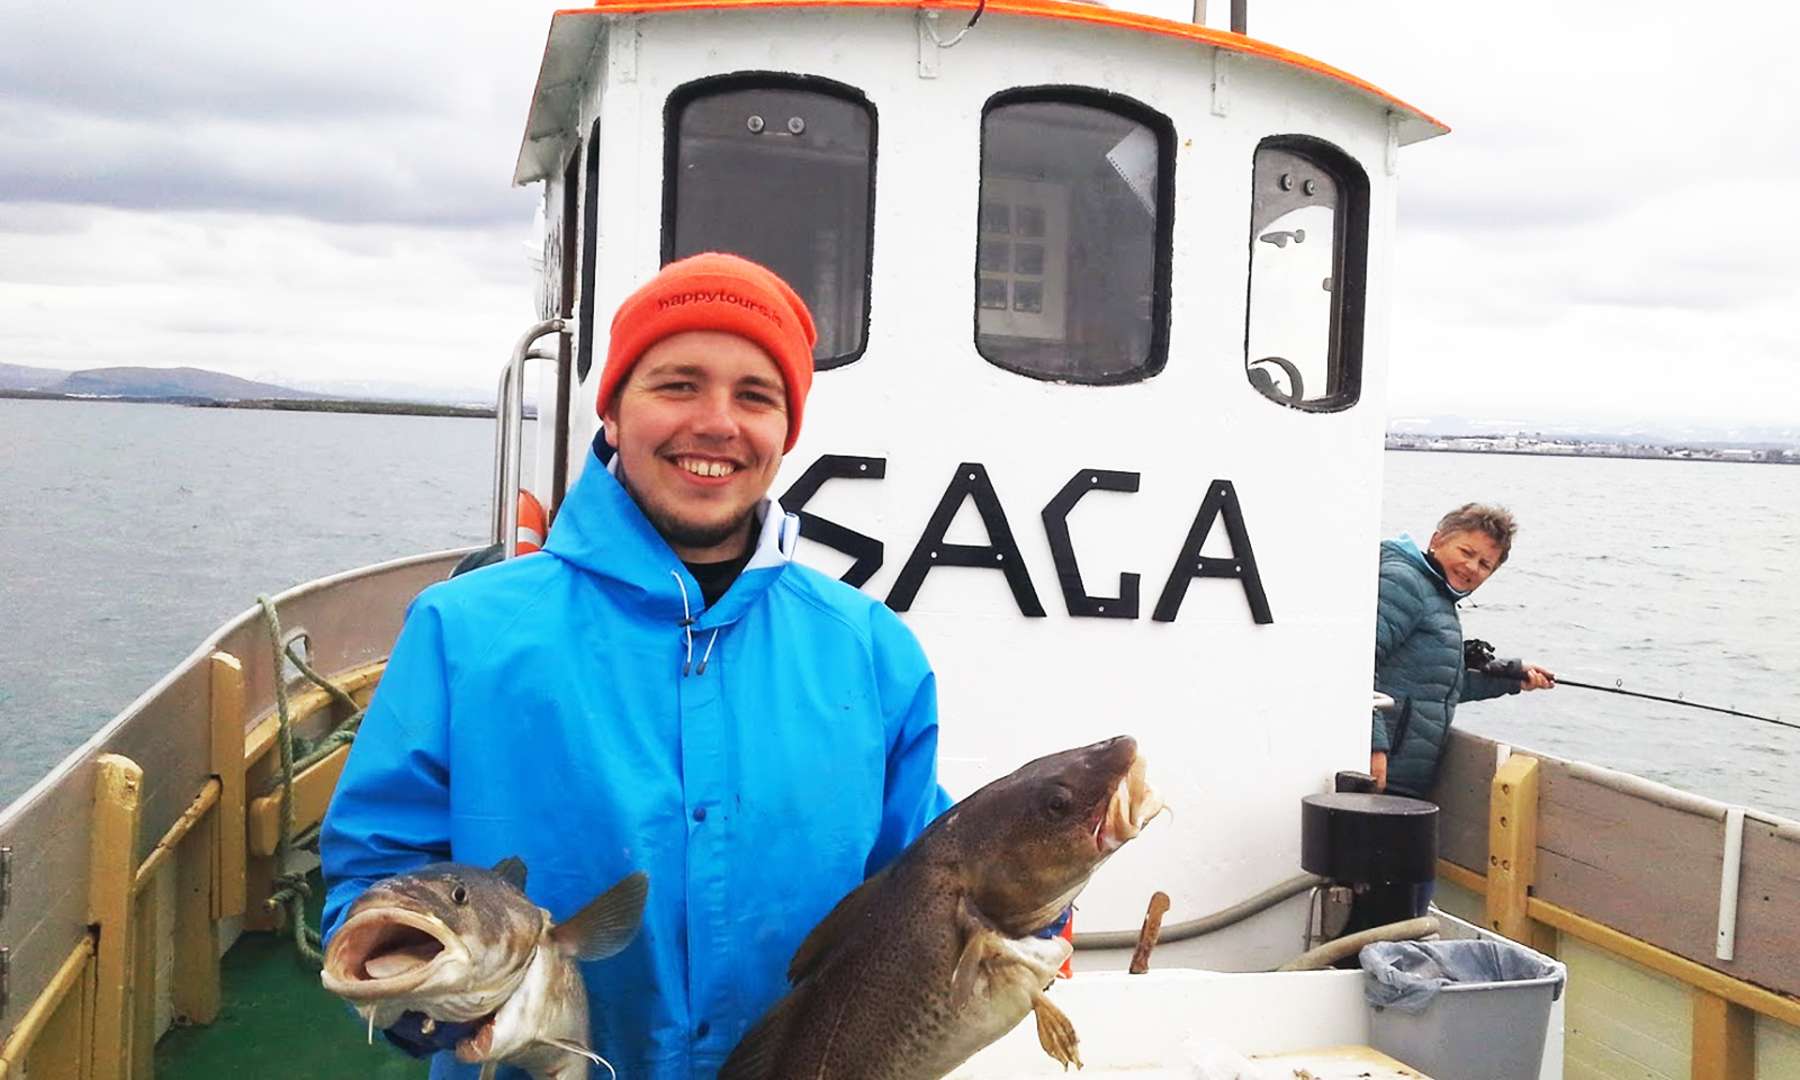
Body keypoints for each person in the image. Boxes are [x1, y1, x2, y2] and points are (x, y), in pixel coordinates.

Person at [320, 253, 952, 1078]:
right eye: (677, 384)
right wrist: (420, 1010)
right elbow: (375, 871)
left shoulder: (873, 652)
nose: (717, 422)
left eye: (755, 396)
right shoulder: (462, 630)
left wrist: (1036, 909)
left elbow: (924, 891)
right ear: (613, 411)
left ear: (786, 433)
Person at [1369, 503, 1554, 798]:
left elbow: (1434, 686)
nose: (1471, 568)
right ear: (1436, 540)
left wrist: (1513, 678)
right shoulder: (1405, 583)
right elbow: (1358, 663)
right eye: (1466, 553)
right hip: (1378, 774)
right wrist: (1373, 746)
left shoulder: (1437, 594)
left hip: (1401, 777)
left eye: (1485, 565)